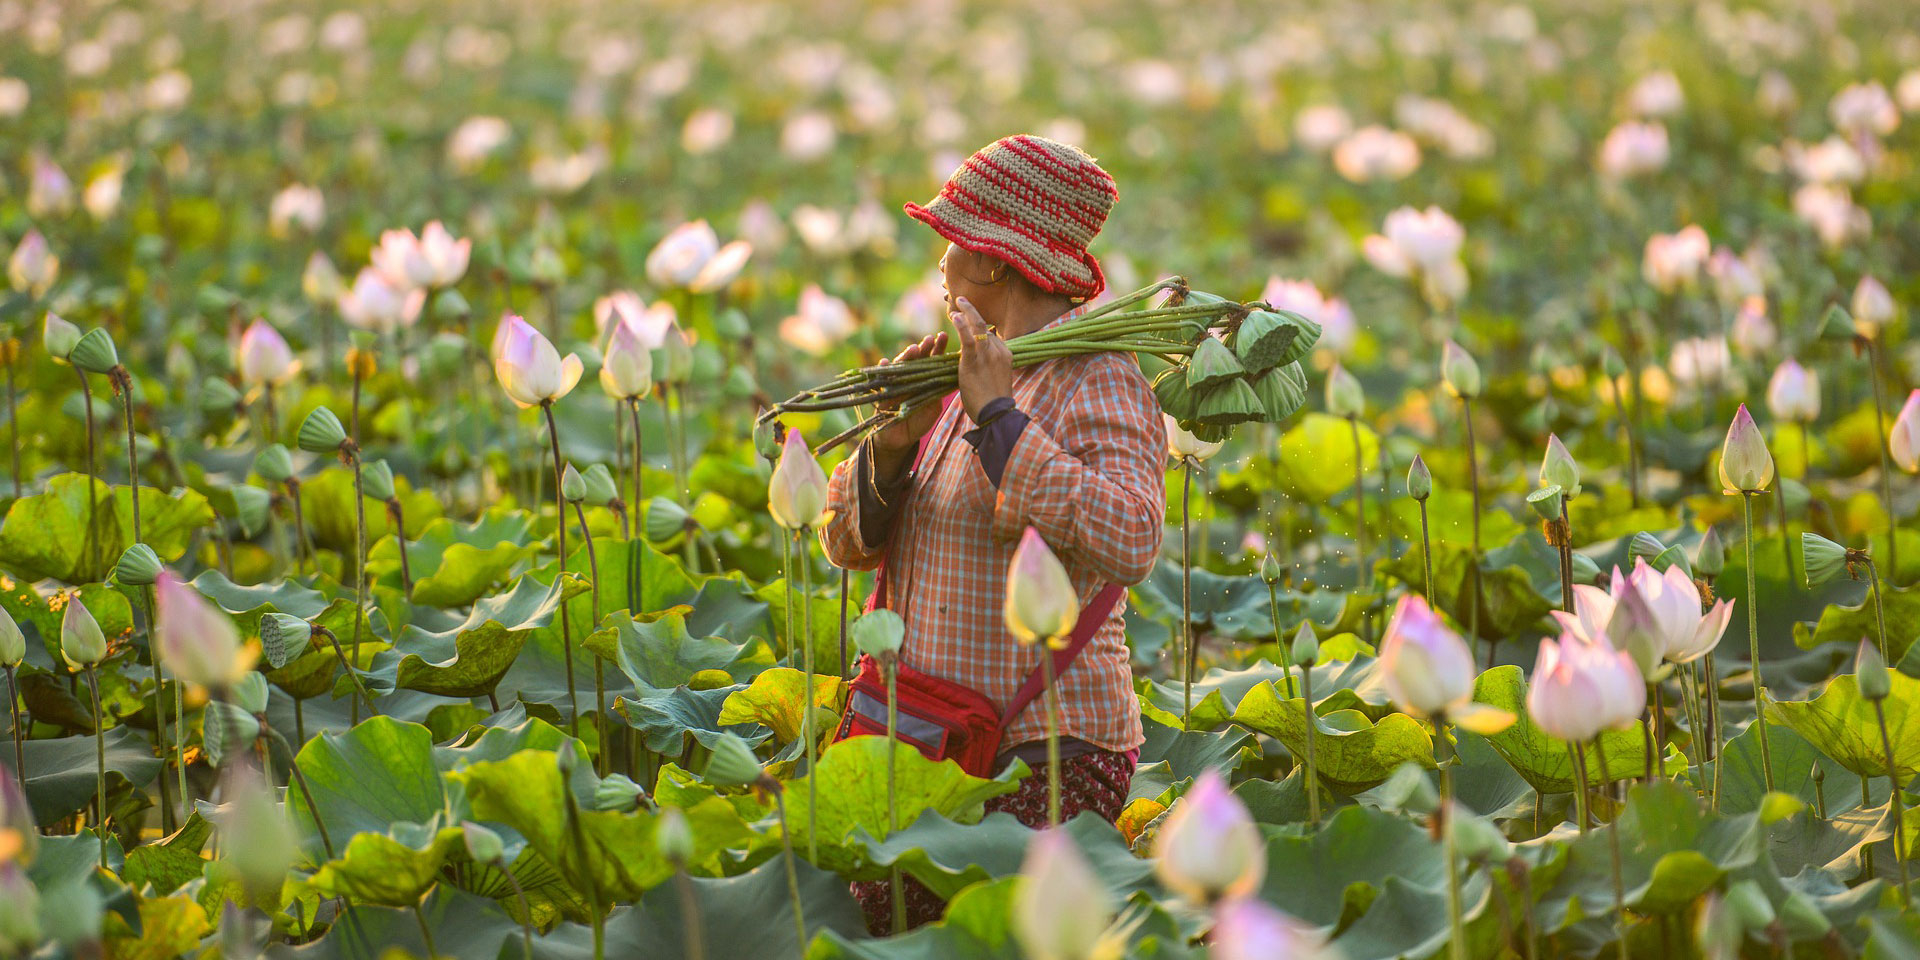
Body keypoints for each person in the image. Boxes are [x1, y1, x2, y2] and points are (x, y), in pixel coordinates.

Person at [818, 134, 1165, 932]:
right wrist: (896, 440)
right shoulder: (962, 370)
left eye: (951, 242)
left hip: (1046, 749)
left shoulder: (1100, 379)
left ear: (994, 262)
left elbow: (1134, 538)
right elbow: (845, 543)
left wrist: (1001, 422)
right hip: (927, 732)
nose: (939, 265)